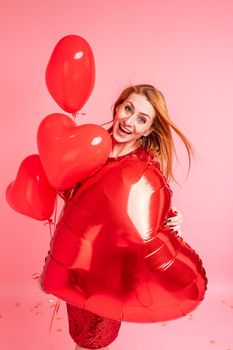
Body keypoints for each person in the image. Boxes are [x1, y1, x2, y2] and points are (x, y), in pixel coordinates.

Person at [40, 84, 197, 350]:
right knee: (80, 331)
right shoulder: (90, 143)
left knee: (96, 338)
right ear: (117, 106)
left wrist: (173, 220)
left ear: (147, 130)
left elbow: (147, 210)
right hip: (78, 258)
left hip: (115, 270)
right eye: (128, 108)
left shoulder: (145, 164)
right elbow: (69, 193)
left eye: (142, 119)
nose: (130, 121)